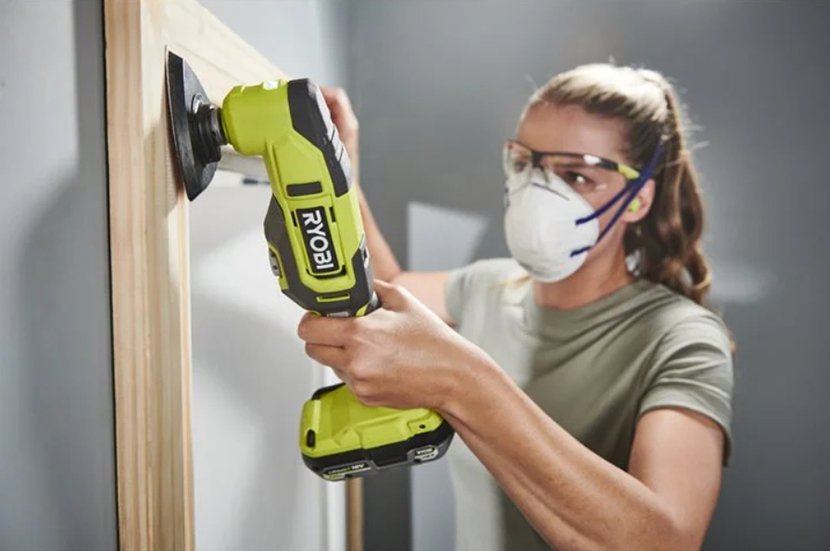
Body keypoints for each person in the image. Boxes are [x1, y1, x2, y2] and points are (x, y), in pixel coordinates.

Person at [297, 63, 734, 550]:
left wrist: (464, 382)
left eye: (576, 174)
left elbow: (666, 542)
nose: (539, 191)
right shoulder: (491, 285)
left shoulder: (682, 338)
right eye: (526, 163)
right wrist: (339, 168)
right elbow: (387, 288)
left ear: (637, 199)